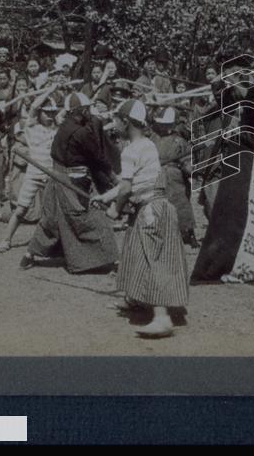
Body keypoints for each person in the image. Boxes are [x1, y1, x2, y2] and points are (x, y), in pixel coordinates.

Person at [95, 99, 188, 338]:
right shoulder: (148, 144)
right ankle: (134, 299)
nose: (114, 124)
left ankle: (162, 317)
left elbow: (126, 188)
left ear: (126, 122)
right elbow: (139, 180)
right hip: (159, 206)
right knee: (135, 254)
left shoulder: (129, 151)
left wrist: (115, 209)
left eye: (117, 120)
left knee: (152, 260)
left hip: (149, 211)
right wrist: (106, 196)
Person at [19, 92, 119, 273]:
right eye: (86, 109)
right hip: (71, 182)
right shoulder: (81, 132)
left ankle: (29, 255)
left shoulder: (65, 125)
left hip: (57, 179)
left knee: (51, 220)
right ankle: (110, 259)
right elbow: (97, 158)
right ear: (78, 111)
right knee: (89, 220)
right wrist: (113, 178)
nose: (89, 112)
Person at [0, 85, 60, 253]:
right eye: (47, 112)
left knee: (53, 212)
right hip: (33, 174)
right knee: (21, 209)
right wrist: (49, 90)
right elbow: (33, 107)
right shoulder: (31, 127)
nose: (50, 115)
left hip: (51, 176)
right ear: (40, 113)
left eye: (53, 112)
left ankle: (56, 244)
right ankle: (6, 239)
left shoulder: (57, 130)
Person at [150, 107, 199, 249]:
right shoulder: (153, 138)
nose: (164, 127)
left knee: (182, 205)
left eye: (167, 124)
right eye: (161, 124)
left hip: (175, 176)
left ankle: (189, 233)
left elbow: (187, 161)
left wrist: (190, 170)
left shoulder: (179, 141)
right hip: (156, 174)